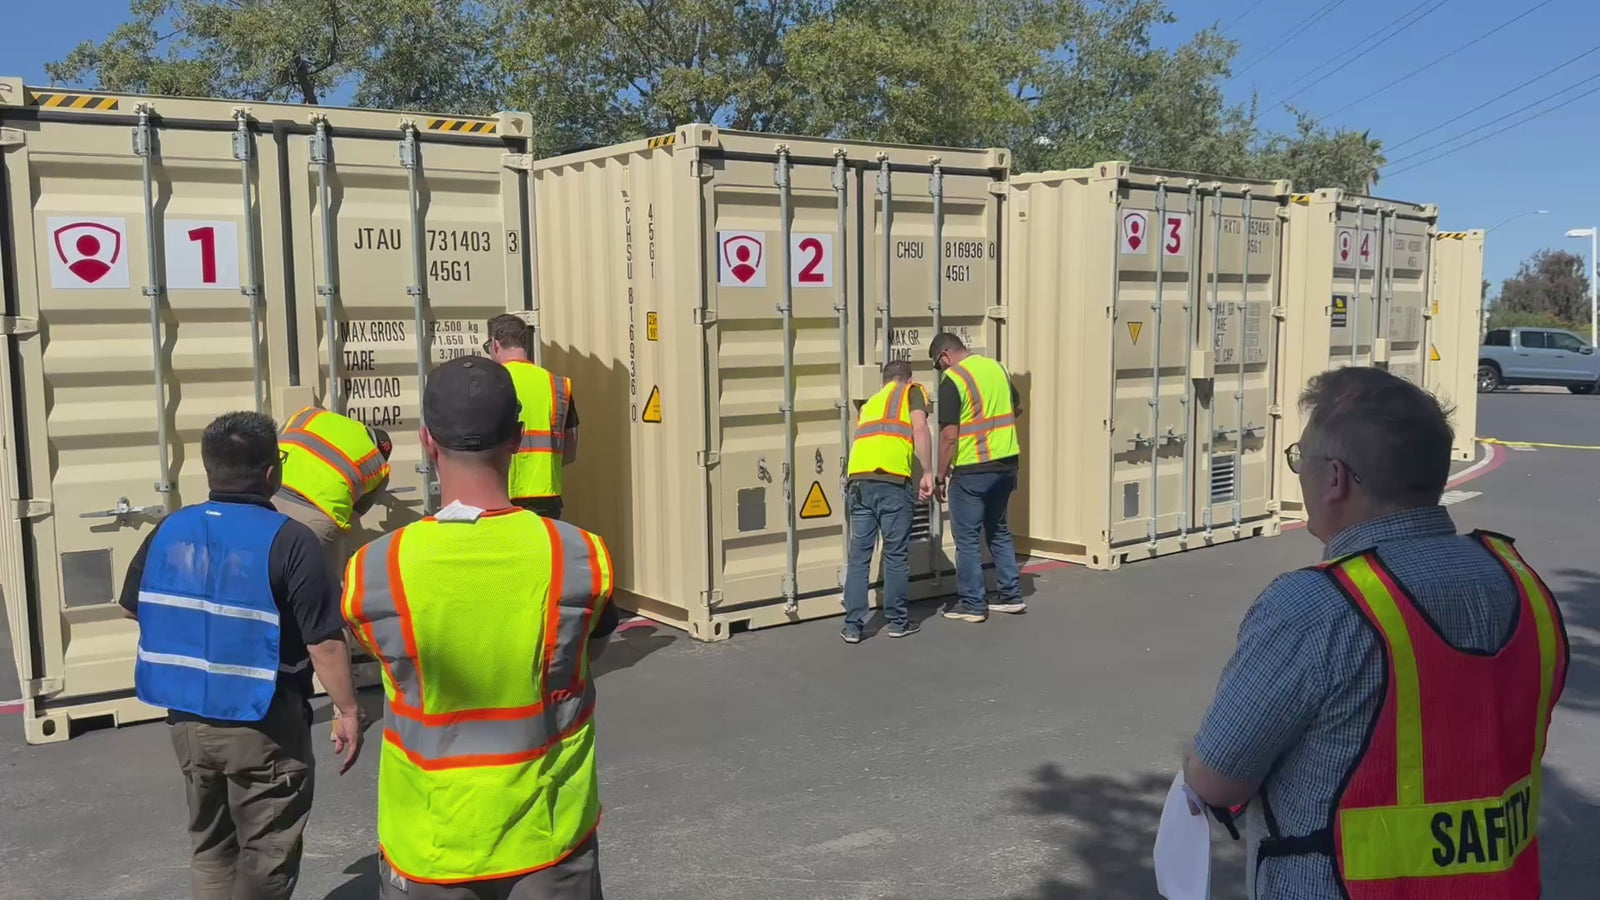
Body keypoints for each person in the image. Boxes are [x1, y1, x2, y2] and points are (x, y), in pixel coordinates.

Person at [1183, 367, 1570, 899]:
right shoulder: (1522, 584)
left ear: (1335, 478)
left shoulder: (1318, 605)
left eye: (1302, 460)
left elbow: (1216, 779)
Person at [343, 356, 618, 899]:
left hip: (429, 842)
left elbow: (383, 657)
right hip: (550, 837)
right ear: (519, 438)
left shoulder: (375, 568)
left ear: (427, 441)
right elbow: (590, 653)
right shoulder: (580, 555)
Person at [120, 411, 363, 900]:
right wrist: (348, 711)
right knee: (266, 853)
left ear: (209, 469)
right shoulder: (291, 540)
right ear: (273, 474)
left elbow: (134, 610)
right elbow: (325, 642)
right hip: (263, 723)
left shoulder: (169, 530)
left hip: (186, 721)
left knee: (210, 845)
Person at [928, 332, 1025, 622]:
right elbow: (1015, 407)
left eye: (938, 364)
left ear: (945, 356)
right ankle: (1010, 595)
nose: (941, 370)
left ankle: (972, 604)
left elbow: (948, 437)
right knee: (998, 529)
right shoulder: (997, 368)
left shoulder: (954, 381)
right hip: (1006, 464)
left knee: (968, 538)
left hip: (973, 469)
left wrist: (940, 475)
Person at [840, 359, 935, 643]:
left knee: (859, 558)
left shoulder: (870, 403)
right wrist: (928, 471)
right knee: (895, 554)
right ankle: (897, 622)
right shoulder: (912, 391)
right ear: (907, 378)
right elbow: (919, 428)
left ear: (883, 381)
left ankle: (853, 626)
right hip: (892, 483)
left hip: (859, 482)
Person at [274, 406, 392, 575]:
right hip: (317, 522)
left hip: (268, 499)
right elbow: (353, 515)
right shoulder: (380, 467)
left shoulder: (310, 415)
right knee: (329, 588)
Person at [485, 313, 579, 519]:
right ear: (525, 343)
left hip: (498, 497)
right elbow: (570, 452)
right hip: (546, 499)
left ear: (495, 344)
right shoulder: (558, 386)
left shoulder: (488, 384)